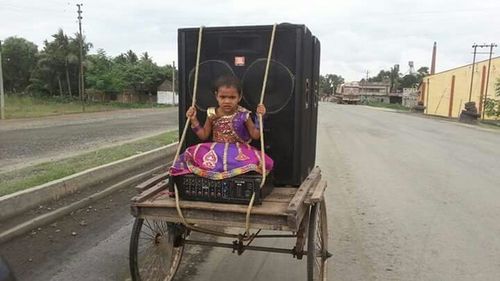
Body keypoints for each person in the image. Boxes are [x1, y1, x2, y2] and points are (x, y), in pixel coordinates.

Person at [170, 75, 273, 180]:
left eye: (232, 97)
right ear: (216, 96)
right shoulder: (212, 114)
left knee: (254, 161)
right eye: (223, 97)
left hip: (238, 152)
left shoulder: (244, 114)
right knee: (193, 155)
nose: (227, 101)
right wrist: (193, 119)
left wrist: (260, 118)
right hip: (215, 151)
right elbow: (203, 135)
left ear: (239, 97)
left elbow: (255, 135)